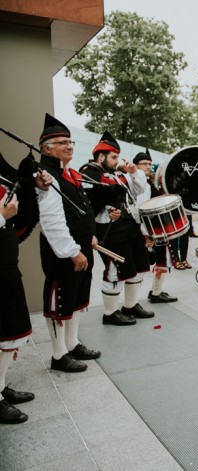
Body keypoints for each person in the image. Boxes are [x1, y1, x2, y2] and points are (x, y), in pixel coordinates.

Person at [37, 114, 100, 373]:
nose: (69, 146)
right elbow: (51, 220)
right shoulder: (45, 176)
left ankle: (72, 344)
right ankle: (58, 354)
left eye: (70, 141)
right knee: (60, 300)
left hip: (81, 245)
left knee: (76, 297)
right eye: (62, 142)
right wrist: (72, 251)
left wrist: (90, 236)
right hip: (62, 251)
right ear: (46, 148)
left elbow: (80, 210)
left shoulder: (67, 173)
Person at [81, 131, 153, 326]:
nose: (117, 161)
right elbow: (88, 203)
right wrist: (106, 210)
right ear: (101, 156)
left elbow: (139, 189)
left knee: (137, 268)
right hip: (110, 232)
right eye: (113, 157)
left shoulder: (118, 175)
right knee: (116, 270)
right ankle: (110, 313)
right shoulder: (88, 173)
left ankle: (130, 305)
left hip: (131, 228)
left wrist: (132, 171)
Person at [0, 156, 52, 423]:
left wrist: (35, 185)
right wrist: (1, 215)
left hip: (5, 266)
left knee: (9, 332)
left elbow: (24, 211)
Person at [132, 150, 177, 303]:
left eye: (150, 164)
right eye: (145, 164)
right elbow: (138, 210)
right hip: (141, 231)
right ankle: (131, 303)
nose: (148, 167)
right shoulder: (132, 182)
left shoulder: (149, 183)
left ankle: (156, 292)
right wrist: (146, 233)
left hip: (155, 230)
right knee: (140, 266)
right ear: (135, 165)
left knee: (163, 259)